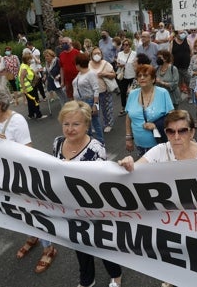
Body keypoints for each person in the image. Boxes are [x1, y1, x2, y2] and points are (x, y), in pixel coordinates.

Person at [0, 83, 56, 262]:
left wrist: (9, 147)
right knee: (19, 212)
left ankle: (48, 249)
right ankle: (32, 236)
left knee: (34, 211)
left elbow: (28, 152)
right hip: (1, 177)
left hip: (21, 177)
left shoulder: (16, 120)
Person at [53, 101, 122, 287]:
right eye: (66, 124)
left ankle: (116, 275)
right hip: (70, 208)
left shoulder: (95, 148)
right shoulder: (58, 143)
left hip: (94, 208)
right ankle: (87, 280)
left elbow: (100, 182)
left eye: (76, 124)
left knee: (102, 244)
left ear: (86, 125)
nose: (70, 129)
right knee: (80, 245)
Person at [118, 110, 197, 168]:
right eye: (171, 131)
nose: (176, 137)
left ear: (192, 133)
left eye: (182, 131)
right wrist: (129, 165)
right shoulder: (160, 150)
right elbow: (137, 167)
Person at [125, 64, 174, 157]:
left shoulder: (163, 93)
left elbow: (172, 117)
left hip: (159, 142)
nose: (142, 78)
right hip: (139, 143)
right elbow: (128, 117)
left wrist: (156, 125)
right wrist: (128, 138)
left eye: (145, 75)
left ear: (153, 79)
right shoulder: (132, 94)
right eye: (139, 76)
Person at [72, 52, 104, 144]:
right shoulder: (80, 73)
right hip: (80, 102)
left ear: (78, 64)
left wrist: (95, 104)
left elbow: (96, 89)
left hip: (89, 101)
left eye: (75, 64)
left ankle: (101, 142)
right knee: (86, 124)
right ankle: (89, 142)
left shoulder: (91, 74)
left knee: (95, 123)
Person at [89, 47, 116, 133]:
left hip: (104, 91)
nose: (97, 55)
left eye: (98, 53)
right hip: (92, 93)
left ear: (101, 54)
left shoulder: (105, 64)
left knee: (106, 109)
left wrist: (105, 74)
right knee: (93, 110)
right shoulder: (88, 64)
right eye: (94, 53)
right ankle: (94, 125)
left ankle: (108, 124)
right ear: (91, 55)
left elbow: (113, 74)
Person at [19, 53, 46, 120]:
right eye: (30, 59)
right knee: (35, 100)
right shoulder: (24, 68)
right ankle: (38, 115)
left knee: (30, 101)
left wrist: (36, 72)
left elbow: (29, 74)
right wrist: (24, 89)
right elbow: (21, 78)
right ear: (27, 60)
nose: (31, 60)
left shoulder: (24, 66)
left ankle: (31, 114)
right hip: (29, 87)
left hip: (29, 87)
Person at [116, 40, 136, 116]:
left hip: (133, 75)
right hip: (123, 76)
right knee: (123, 92)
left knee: (133, 92)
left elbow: (136, 64)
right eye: (123, 44)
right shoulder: (120, 53)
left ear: (130, 45)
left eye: (127, 44)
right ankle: (123, 107)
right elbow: (117, 63)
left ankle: (134, 107)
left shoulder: (134, 53)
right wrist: (119, 65)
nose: (125, 46)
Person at [170, 29, 191, 98]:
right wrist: (172, 66)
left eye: (183, 32)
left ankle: (190, 95)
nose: (182, 34)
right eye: (180, 33)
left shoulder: (187, 40)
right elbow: (171, 55)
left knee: (188, 82)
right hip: (177, 67)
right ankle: (179, 97)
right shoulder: (172, 42)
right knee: (178, 83)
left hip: (187, 67)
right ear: (176, 34)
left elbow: (191, 52)